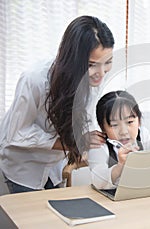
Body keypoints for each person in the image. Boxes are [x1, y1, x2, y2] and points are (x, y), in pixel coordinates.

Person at [0, 15, 114, 193]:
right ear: (73, 59)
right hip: (24, 167)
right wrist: (73, 143)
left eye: (107, 62)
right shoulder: (35, 79)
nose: (101, 73)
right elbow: (18, 134)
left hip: (54, 166)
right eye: (92, 64)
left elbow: (78, 120)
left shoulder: (92, 81)